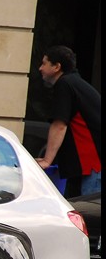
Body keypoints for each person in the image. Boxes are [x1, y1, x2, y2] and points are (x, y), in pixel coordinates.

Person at [35, 45, 101, 197]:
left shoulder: (64, 84)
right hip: (88, 166)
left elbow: (59, 125)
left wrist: (47, 160)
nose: (40, 68)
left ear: (57, 66)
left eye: (44, 63)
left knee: (89, 217)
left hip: (92, 166)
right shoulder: (74, 83)